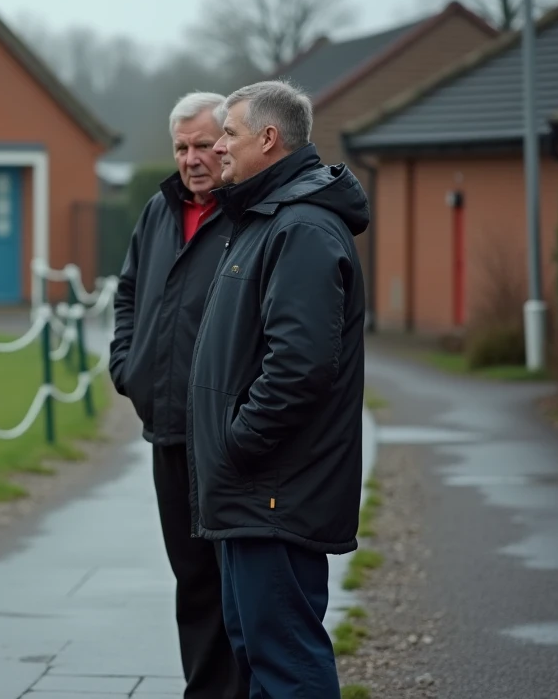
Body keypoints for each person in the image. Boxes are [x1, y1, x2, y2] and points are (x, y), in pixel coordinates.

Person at [186, 79, 368, 698]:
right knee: (259, 657)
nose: (217, 149)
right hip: (252, 491)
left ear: (268, 138)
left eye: (229, 135)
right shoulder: (264, 219)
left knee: (286, 661)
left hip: (272, 491)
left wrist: (237, 446)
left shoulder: (303, 230)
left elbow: (299, 367)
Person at [109, 92, 247, 699]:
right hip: (167, 429)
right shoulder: (159, 213)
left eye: (203, 146)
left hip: (229, 437)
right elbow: (129, 294)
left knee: (239, 585)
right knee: (191, 582)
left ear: (227, 144)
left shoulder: (251, 216)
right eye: (181, 147)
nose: (192, 159)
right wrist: (127, 368)